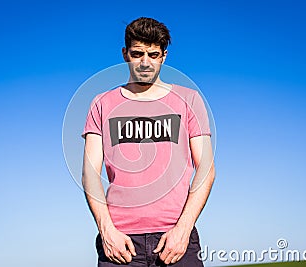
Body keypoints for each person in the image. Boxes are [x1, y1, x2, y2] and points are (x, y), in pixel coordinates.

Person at [81, 17, 215, 266]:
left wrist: (183, 230)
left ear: (164, 56)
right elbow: (90, 174)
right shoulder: (101, 103)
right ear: (125, 53)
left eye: (153, 55)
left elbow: (206, 170)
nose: (145, 63)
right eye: (137, 53)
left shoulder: (189, 100)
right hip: (120, 244)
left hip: (175, 240)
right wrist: (107, 231)